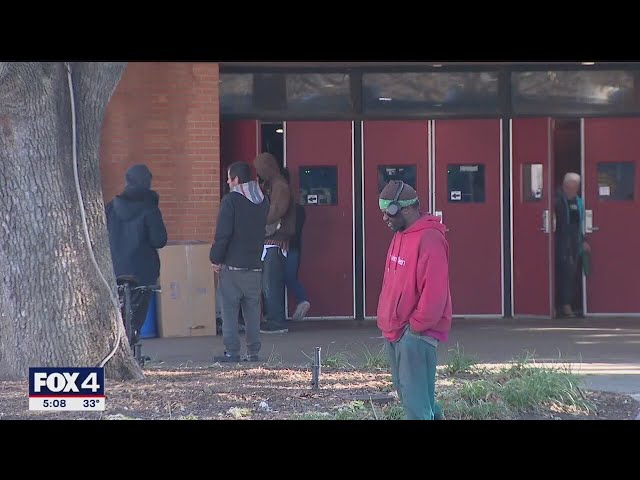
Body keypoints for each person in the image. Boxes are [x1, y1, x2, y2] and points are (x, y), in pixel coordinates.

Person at [376, 180, 452, 420]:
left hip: (416, 335)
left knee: (416, 405)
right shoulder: (400, 235)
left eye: (388, 212)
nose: (384, 219)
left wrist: (415, 327)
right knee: (418, 400)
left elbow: (435, 292)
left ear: (406, 209)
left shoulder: (430, 238)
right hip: (395, 330)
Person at [210, 161, 269, 362]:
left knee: (229, 311)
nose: (227, 181)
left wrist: (215, 258)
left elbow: (223, 234)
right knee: (253, 311)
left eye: (229, 177)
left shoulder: (231, 201)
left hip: (232, 266)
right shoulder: (263, 200)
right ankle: (253, 352)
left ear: (236, 179)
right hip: (255, 265)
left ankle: (232, 352)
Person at [105, 164, 168, 346]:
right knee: (137, 316)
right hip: (143, 271)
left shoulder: (110, 208)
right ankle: (132, 341)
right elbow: (159, 240)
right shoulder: (150, 209)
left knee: (117, 312)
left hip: (115, 269)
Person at [254, 153, 296, 334]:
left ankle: (277, 321)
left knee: (271, 283)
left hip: (276, 241)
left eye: (260, 169)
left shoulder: (280, 186)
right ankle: (273, 318)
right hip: (272, 241)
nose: (259, 173)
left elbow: (277, 210)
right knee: (268, 283)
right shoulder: (272, 186)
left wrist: (258, 221)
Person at [554, 172, 590, 318]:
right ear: (564, 186)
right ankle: (560, 306)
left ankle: (568, 304)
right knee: (561, 274)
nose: (571, 191)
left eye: (575, 188)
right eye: (569, 187)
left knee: (572, 274)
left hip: (575, 242)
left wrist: (583, 240)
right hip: (560, 242)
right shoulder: (557, 201)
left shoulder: (579, 202)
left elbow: (581, 223)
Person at [281, 167, 311, 320]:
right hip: (294, 247)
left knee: (275, 279)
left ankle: (276, 315)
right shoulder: (297, 207)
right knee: (289, 277)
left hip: (282, 247)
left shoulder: (278, 202)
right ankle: (302, 299)